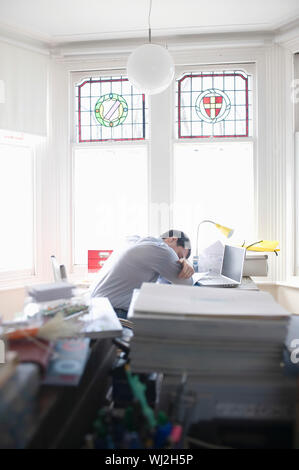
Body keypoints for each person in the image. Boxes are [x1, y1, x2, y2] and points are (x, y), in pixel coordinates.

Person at [90, 230, 195, 318]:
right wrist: (187, 263)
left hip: (96, 309)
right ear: (173, 239)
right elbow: (187, 283)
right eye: (180, 255)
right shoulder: (161, 249)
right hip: (115, 314)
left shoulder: (134, 240)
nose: (178, 260)